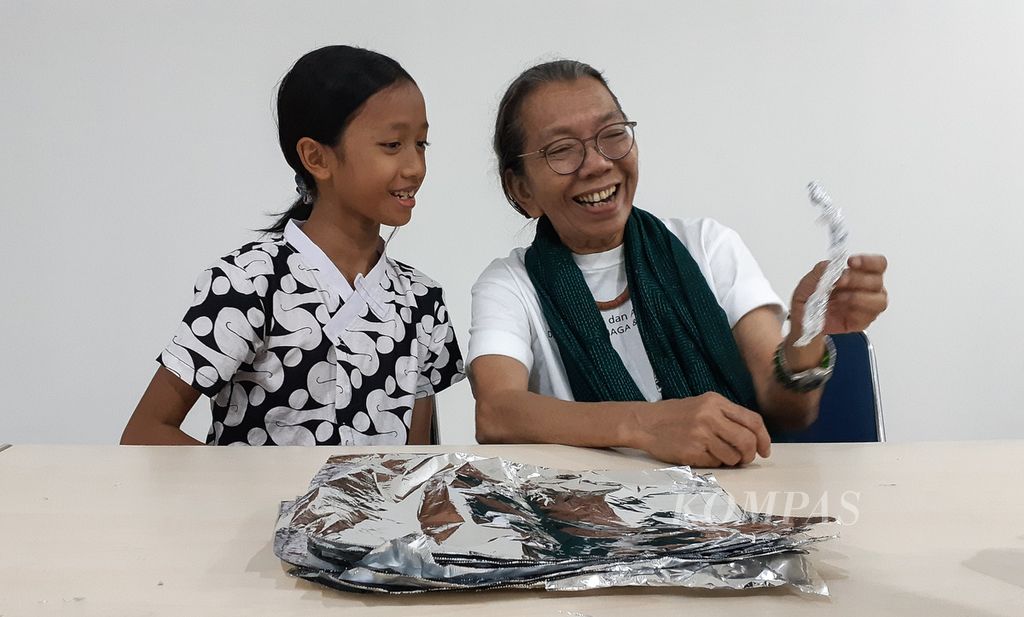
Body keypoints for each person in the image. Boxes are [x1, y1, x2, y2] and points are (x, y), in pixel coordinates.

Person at [469, 60, 887, 467]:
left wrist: (806, 329)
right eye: (562, 150)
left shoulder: (707, 246)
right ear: (521, 188)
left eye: (612, 134)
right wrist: (646, 425)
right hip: (595, 526)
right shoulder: (510, 285)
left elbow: (788, 410)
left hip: (741, 515)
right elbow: (497, 413)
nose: (597, 162)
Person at [121, 45, 465, 446]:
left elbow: (416, 463)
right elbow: (144, 434)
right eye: (392, 145)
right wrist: (249, 498)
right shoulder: (248, 285)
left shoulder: (422, 300)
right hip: (255, 512)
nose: (415, 167)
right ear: (316, 158)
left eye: (421, 144)